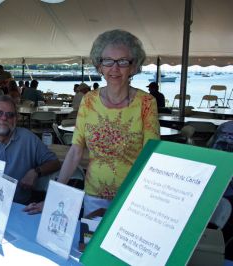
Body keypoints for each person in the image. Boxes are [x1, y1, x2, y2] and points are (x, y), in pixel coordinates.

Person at [24, 29, 160, 215]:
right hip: (94, 196)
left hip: (132, 198)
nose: (115, 68)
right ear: (99, 66)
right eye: (108, 61)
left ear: (133, 66)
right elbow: (75, 152)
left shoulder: (146, 103)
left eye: (122, 61)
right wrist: (52, 198)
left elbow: (150, 156)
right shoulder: (89, 100)